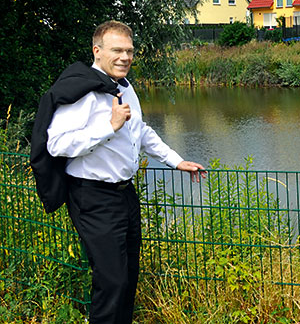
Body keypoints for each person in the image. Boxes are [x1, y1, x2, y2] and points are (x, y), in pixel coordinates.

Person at [43, 21, 205, 324]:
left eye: (129, 51)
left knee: (128, 278)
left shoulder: (125, 88)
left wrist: (175, 160)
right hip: (93, 197)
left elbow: (140, 131)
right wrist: (109, 126)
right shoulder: (83, 92)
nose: (125, 57)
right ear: (97, 51)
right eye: (117, 50)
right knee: (111, 282)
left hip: (125, 195)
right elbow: (56, 144)